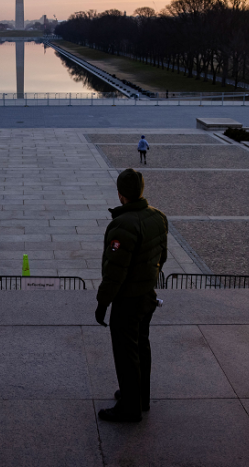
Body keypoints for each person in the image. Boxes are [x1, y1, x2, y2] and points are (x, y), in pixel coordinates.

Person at [95, 169, 168, 423]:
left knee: (126, 352)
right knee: (141, 346)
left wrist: (102, 303)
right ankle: (140, 396)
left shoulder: (122, 224)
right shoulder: (158, 217)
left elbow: (115, 272)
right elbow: (162, 257)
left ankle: (129, 407)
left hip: (128, 299)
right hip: (147, 294)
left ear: (120, 194)